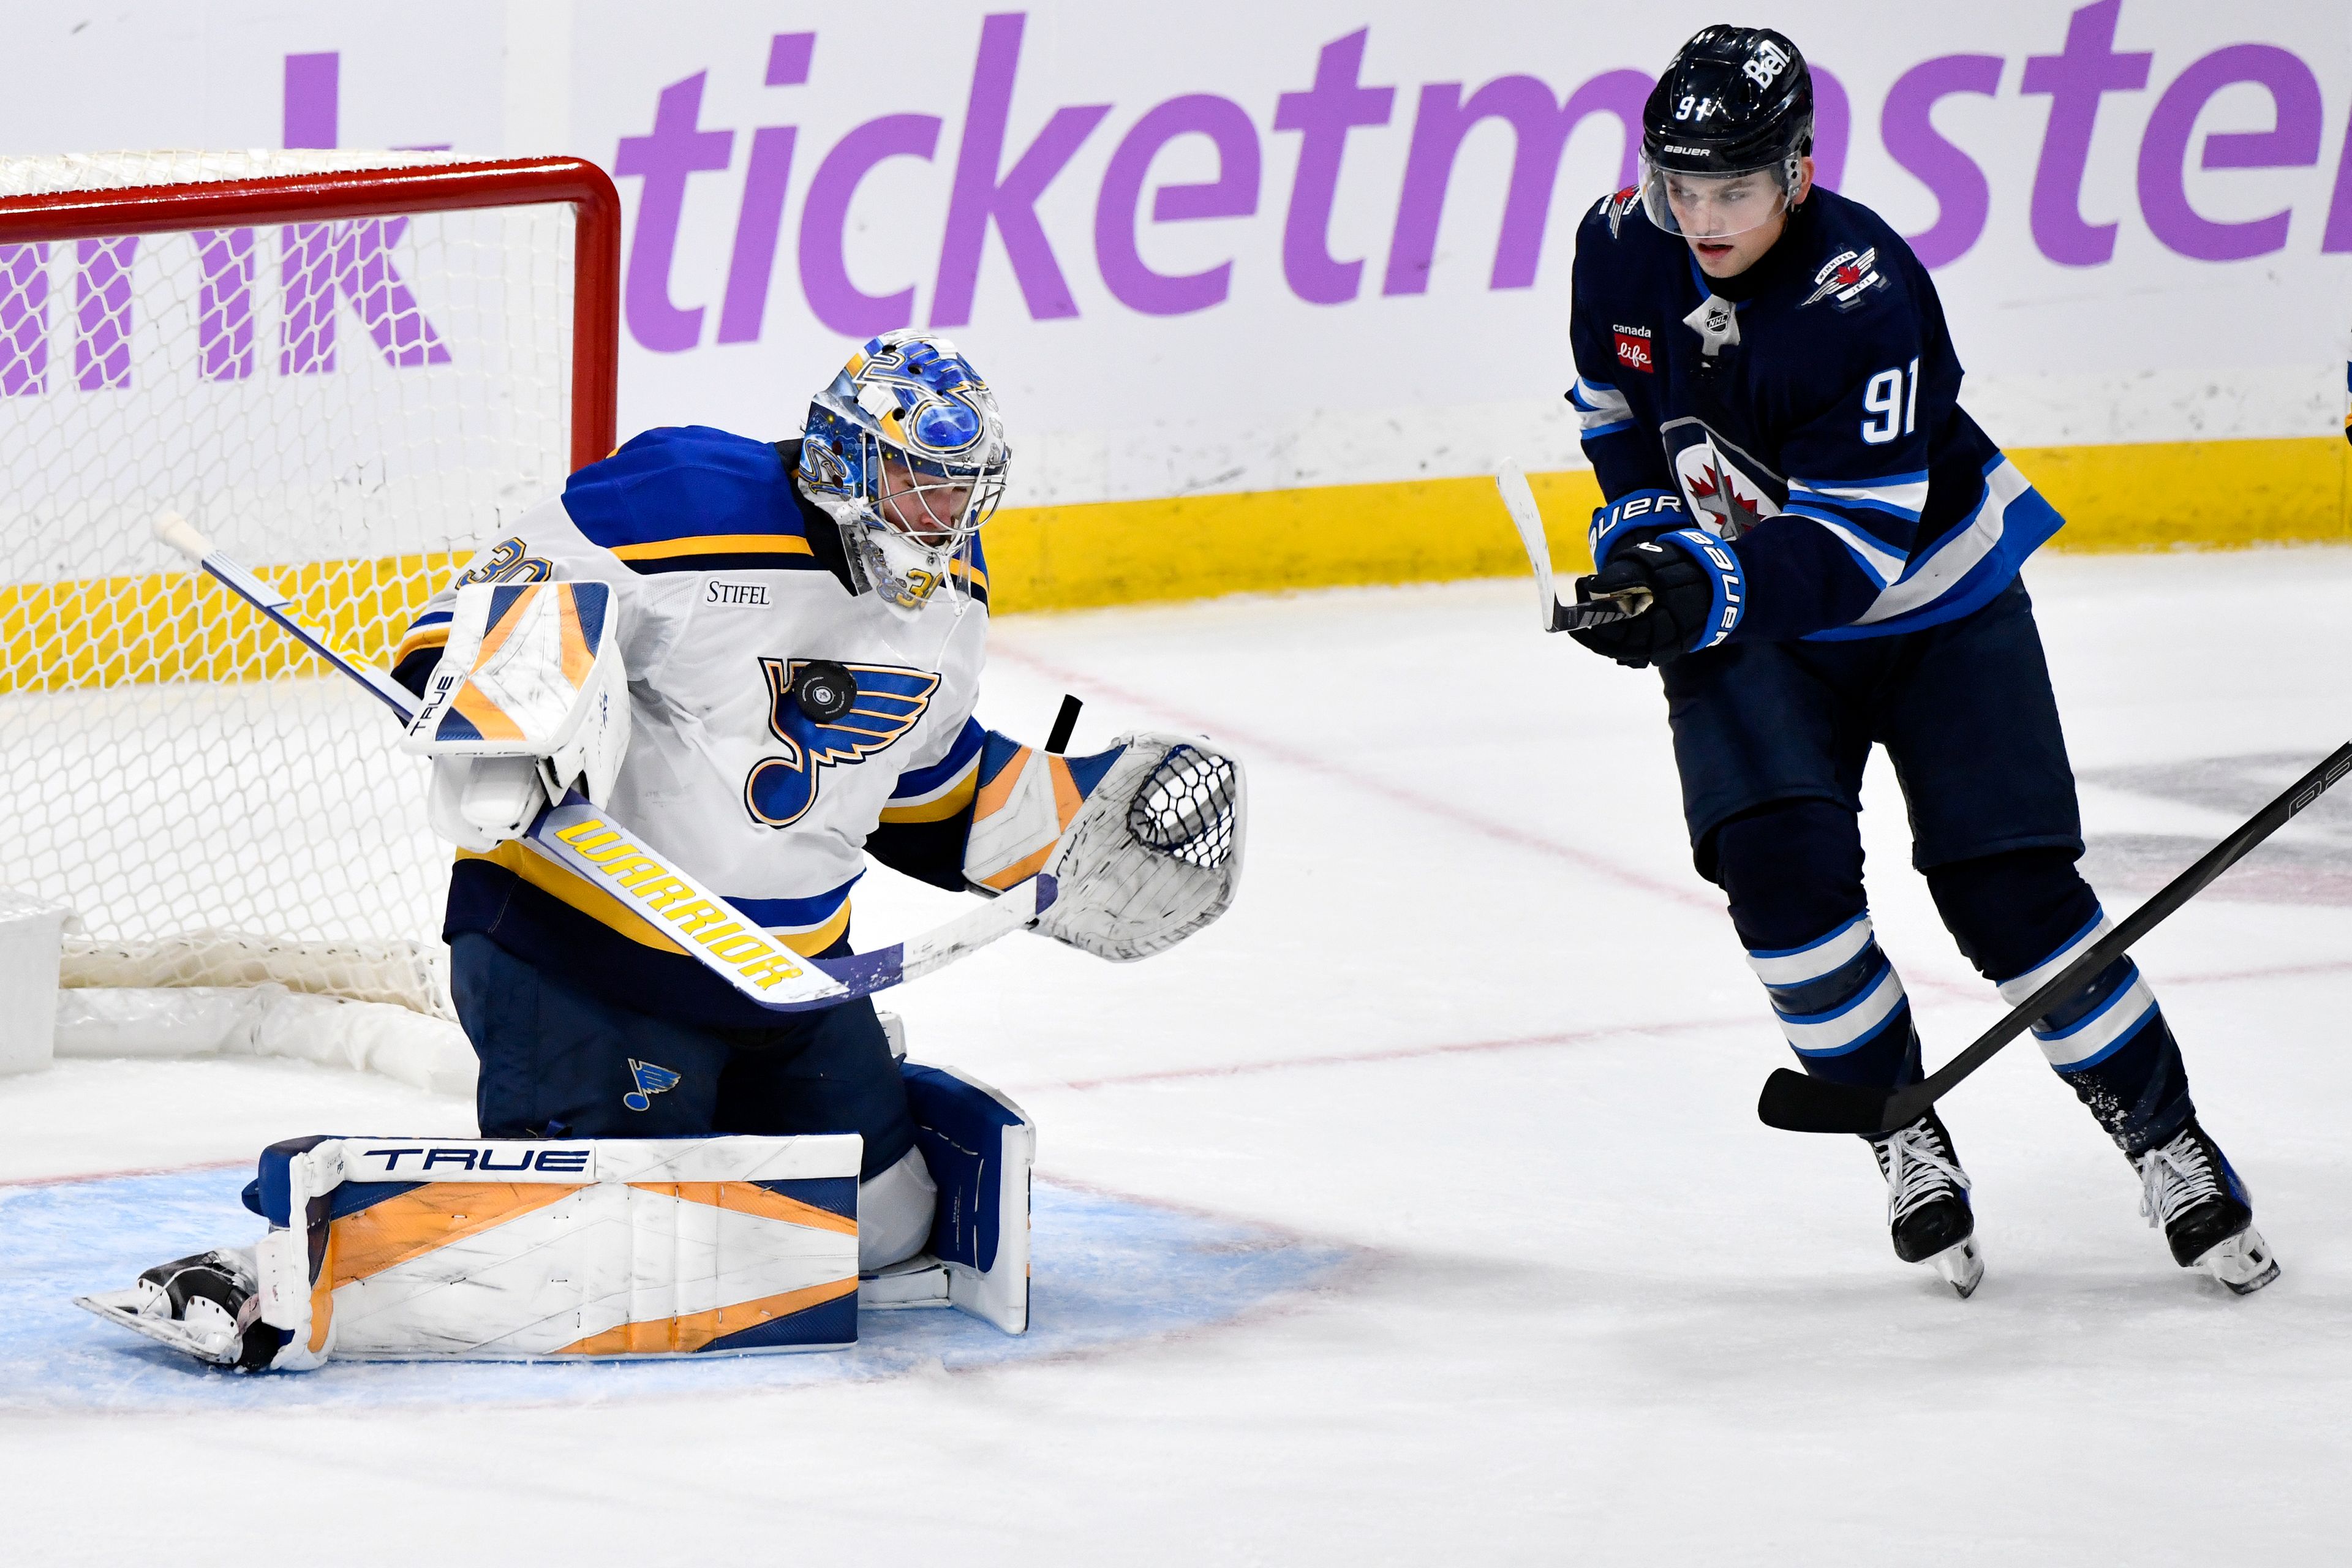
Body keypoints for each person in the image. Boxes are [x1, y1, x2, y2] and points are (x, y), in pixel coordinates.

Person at [1556, 26, 2274, 1296]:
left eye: (1733, 187)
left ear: (1798, 169)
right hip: (1753, 624)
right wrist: (1641, 538)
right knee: (1779, 885)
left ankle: (2168, 1138)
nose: (1703, 215)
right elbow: (1617, 417)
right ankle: (1903, 1133)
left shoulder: (1865, 289)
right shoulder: (1620, 244)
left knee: (2015, 900)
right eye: (1683, 185)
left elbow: (1856, 547)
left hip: (1935, 609)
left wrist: (1700, 585)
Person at [386, 329, 1103, 1275]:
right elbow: (456, 630)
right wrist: (511, 717)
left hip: (789, 981)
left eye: (961, 492)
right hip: (587, 959)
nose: (941, 517)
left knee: (884, 1234)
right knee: (609, 1256)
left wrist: (1072, 832)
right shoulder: (680, 500)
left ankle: (724, 1113)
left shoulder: (952, 590)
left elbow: (920, 786)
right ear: (845, 455)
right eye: (918, 483)